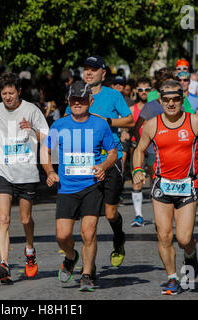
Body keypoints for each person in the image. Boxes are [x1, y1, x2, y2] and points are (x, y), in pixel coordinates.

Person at [132, 80, 198, 295]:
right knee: (164, 235)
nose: (171, 104)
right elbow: (139, 149)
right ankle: (172, 278)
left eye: (175, 99)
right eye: (166, 100)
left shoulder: (194, 122)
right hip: (161, 185)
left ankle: (190, 253)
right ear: (160, 100)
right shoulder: (152, 124)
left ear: (182, 100)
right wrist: (137, 170)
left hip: (187, 185)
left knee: (184, 239)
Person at [42, 80, 118, 292]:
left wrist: (103, 166)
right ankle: (71, 256)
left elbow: (112, 153)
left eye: (82, 99)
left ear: (90, 101)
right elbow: (46, 151)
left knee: (88, 232)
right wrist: (50, 172)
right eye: (74, 99)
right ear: (68, 101)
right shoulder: (59, 125)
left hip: (92, 186)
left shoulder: (100, 124)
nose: (78, 103)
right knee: (62, 236)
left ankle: (86, 274)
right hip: (67, 188)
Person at [0, 71, 49, 284]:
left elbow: (48, 136)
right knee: (3, 218)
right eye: (3, 93)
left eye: (11, 93)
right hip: (2, 170)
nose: (7, 97)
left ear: (19, 91)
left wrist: (33, 131)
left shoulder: (31, 110)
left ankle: (29, 251)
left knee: (25, 219)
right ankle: (4, 263)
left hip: (26, 171)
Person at [65, 56, 134, 269]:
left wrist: (108, 121)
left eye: (93, 69)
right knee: (89, 214)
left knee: (111, 212)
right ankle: (89, 266)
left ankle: (119, 239)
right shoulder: (76, 95)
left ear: (103, 73)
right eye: (86, 69)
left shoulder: (113, 95)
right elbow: (67, 123)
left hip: (110, 157)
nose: (89, 73)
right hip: (85, 160)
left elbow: (130, 121)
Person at [129, 77, 152, 227]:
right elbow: (126, 124)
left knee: (155, 182)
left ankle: (159, 214)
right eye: (140, 90)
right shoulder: (132, 109)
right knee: (136, 181)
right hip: (136, 148)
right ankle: (138, 216)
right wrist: (124, 132)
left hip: (153, 148)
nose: (143, 92)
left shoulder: (156, 108)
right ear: (136, 91)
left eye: (147, 89)